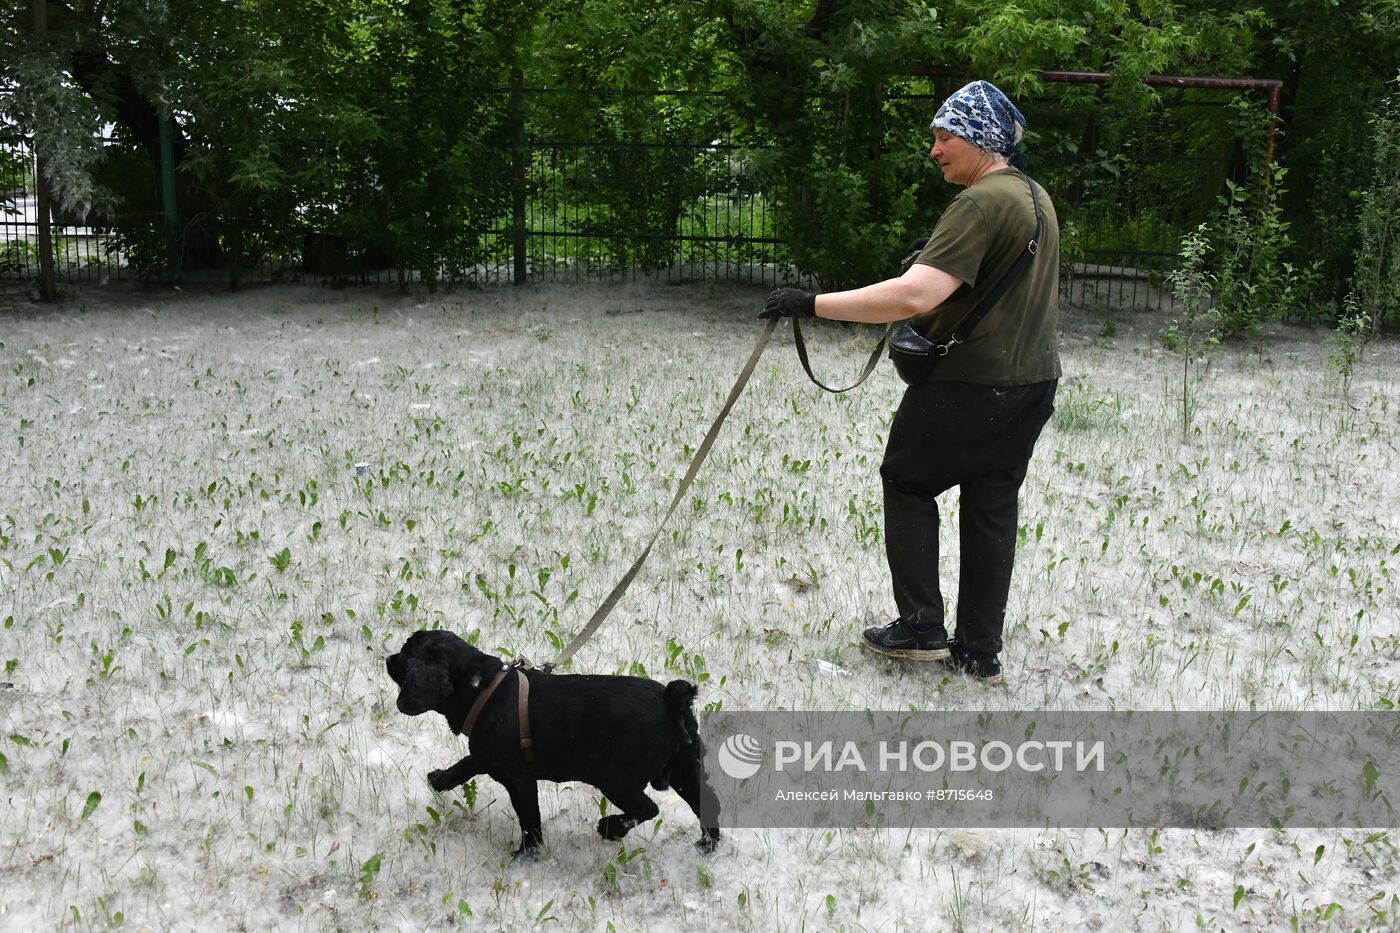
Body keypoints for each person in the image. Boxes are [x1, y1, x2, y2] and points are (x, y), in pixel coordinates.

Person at [760, 80, 1060, 685]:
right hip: (1031, 384)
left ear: (980, 140)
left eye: (945, 136)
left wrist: (811, 303)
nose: (935, 150)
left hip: (969, 384)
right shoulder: (1034, 197)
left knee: (906, 481)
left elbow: (916, 294)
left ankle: (921, 628)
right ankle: (979, 651)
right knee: (990, 506)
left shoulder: (979, 203)